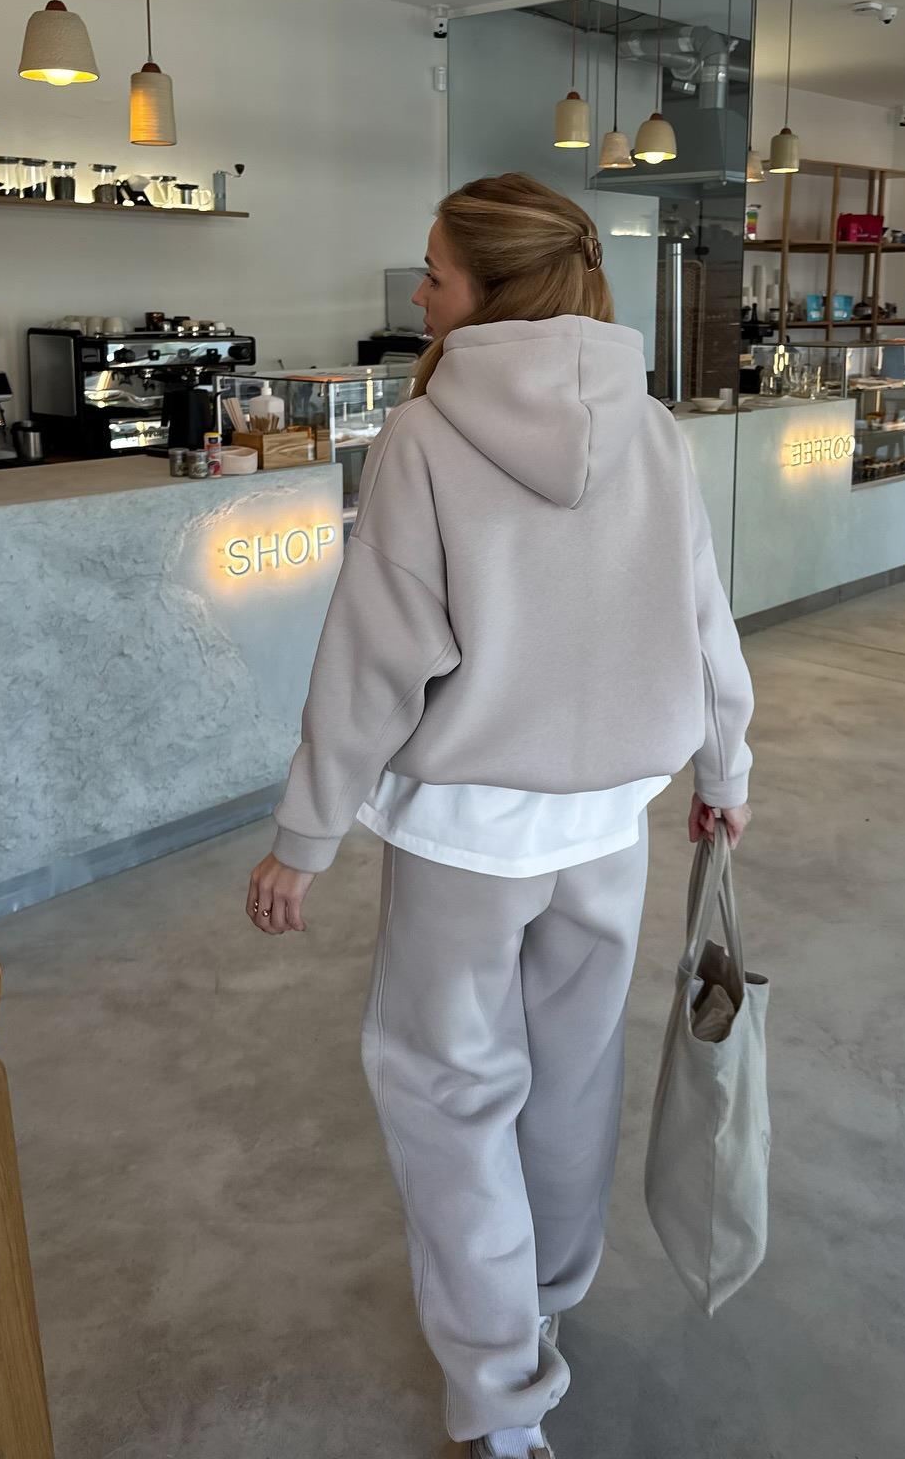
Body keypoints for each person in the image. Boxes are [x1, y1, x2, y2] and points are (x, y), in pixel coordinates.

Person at [246, 173, 754, 1459]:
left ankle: (499, 1399)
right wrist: (725, 772)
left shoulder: (423, 439)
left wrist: (305, 835)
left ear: (490, 289)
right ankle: (541, 1309)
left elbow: (375, 660)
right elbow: (705, 624)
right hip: (608, 829)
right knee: (571, 1080)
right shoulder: (655, 431)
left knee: (450, 1099)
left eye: (435, 272)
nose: (420, 295)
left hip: (467, 838)